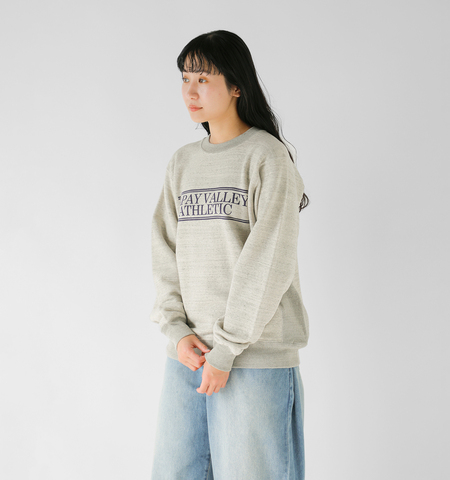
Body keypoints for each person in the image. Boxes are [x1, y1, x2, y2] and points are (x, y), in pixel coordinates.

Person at [150, 29, 310, 480]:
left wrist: (227, 349)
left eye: (203, 79)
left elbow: (268, 261)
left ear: (237, 85)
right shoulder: (182, 162)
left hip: (252, 359)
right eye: (185, 79)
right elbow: (164, 250)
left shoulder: (267, 157)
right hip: (188, 355)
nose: (190, 91)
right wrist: (177, 330)